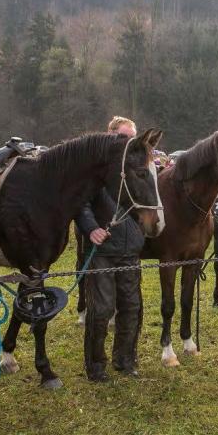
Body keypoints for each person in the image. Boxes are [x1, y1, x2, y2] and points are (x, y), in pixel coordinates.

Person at [75, 116, 145, 382]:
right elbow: (80, 203)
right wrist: (91, 227)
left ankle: (125, 360)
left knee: (131, 306)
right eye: (123, 137)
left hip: (130, 249)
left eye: (132, 138)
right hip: (103, 250)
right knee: (102, 309)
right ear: (110, 136)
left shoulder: (136, 170)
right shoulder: (95, 170)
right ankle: (95, 365)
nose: (128, 143)